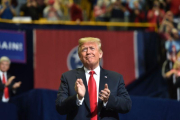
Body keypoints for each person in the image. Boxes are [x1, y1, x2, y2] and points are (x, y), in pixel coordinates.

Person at [56, 37, 132, 120]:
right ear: (80, 56)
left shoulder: (116, 78)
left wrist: (108, 100)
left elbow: (126, 105)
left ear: (100, 54)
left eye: (92, 48)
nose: (88, 52)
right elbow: (60, 107)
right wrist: (78, 98)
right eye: (84, 49)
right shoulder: (68, 77)